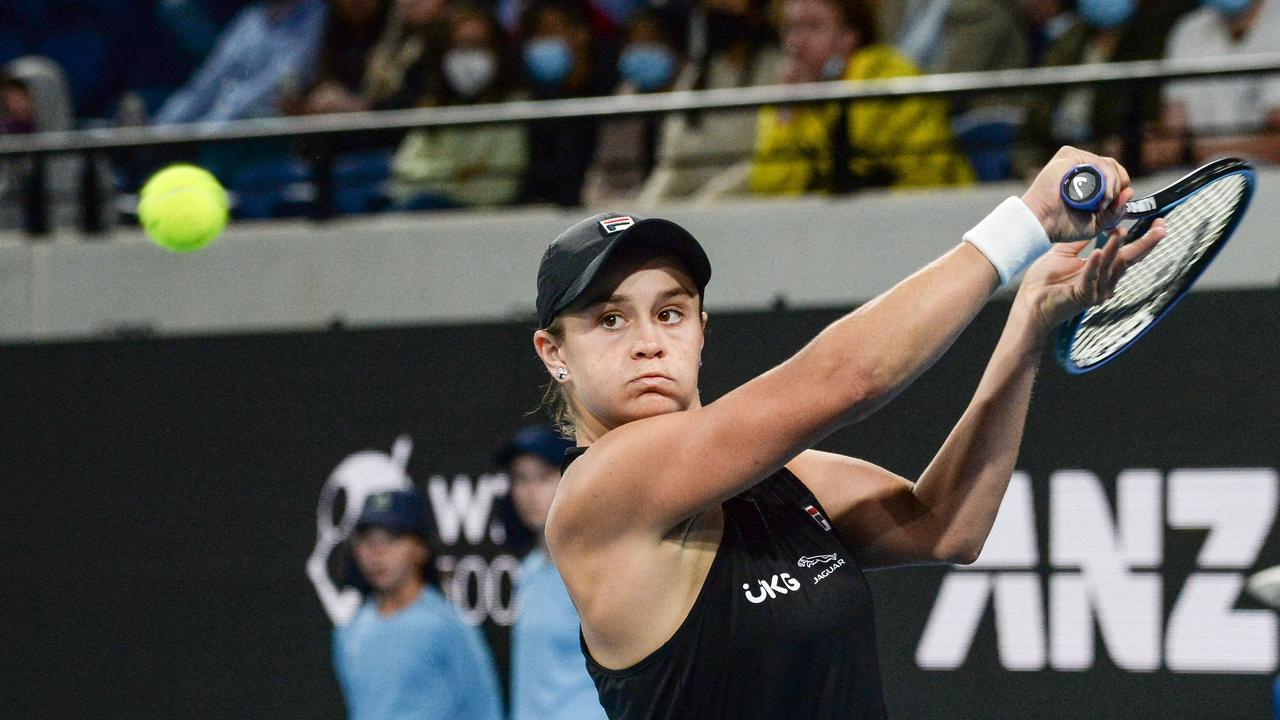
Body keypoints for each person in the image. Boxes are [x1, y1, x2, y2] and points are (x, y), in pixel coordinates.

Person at [529, 145, 1166, 718]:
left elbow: (947, 525)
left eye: (671, 313)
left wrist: (1027, 325)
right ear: (554, 353)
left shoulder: (788, 482)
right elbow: (848, 379)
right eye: (610, 320)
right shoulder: (599, 492)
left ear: (702, 330)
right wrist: (1026, 224)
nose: (648, 342)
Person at [749, 0, 973, 195]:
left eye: (813, 26)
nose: (795, 42)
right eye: (789, 28)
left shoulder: (888, 77)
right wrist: (787, 118)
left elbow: (928, 179)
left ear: (850, 35)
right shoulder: (786, 96)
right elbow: (770, 191)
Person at [332, 489, 503, 720]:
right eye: (368, 540)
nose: (377, 552)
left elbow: (485, 711)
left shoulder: (447, 627)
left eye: (391, 539)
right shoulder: (348, 632)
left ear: (421, 549)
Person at [497, 426, 607, 720]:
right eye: (520, 478)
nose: (529, 492)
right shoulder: (529, 570)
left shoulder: (596, 566)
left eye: (543, 477)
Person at [634, 0, 785, 205]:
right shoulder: (698, 74)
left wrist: (707, 204)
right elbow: (674, 163)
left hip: (749, 205)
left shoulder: (778, 70)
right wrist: (645, 213)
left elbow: (768, 160)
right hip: (695, 204)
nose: (716, 10)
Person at [390, 2, 528, 209]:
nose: (469, 57)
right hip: (428, 201)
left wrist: (441, 179)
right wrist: (457, 175)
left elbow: (500, 186)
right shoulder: (437, 105)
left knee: (419, 203)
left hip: (476, 214)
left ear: (497, 51)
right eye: (461, 46)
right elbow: (404, 171)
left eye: (478, 46)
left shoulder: (516, 107)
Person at [1148, 0, 1280, 168]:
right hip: (1202, 180)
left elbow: (1277, 145)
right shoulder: (1189, 29)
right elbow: (1172, 139)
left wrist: (1190, 150)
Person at [152, 0, 328, 126]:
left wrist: (213, 124)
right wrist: (158, 129)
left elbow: (276, 82)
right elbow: (208, 82)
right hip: (223, 130)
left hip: (275, 134)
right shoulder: (250, 18)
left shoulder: (316, 13)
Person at [581, 9, 683, 206]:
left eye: (651, 41)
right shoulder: (621, 98)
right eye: (635, 43)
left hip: (679, 204)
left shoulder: (691, 91)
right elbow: (602, 171)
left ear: (671, 47)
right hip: (625, 204)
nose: (642, 50)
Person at [519, 0, 615, 207]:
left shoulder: (611, 90)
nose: (542, 42)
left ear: (581, 34)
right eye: (537, 34)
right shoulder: (533, 96)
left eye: (550, 31)